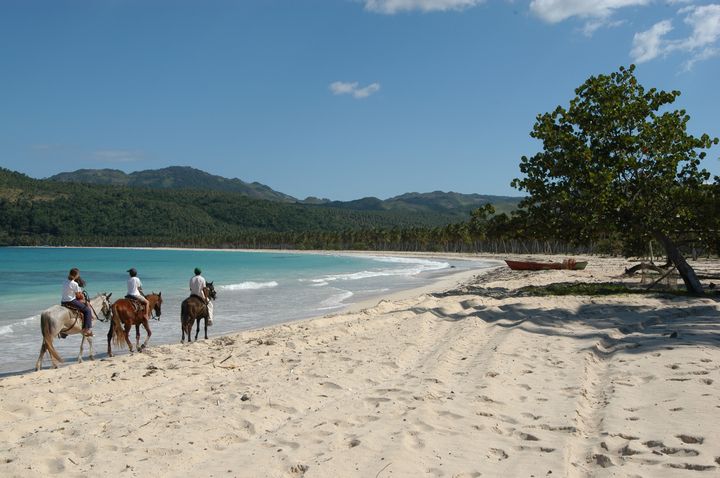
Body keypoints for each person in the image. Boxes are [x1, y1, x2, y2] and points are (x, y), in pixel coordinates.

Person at [61, 267, 94, 336]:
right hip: (71, 301)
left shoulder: (64, 281)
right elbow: (78, 296)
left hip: (63, 301)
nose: (78, 276)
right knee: (87, 310)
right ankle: (86, 329)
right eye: (78, 274)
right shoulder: (74, 284)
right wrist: (84, 300)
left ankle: (63, 332)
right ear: (76, 275)